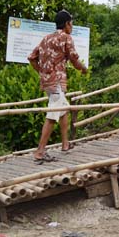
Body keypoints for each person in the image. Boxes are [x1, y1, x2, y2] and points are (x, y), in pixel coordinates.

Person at [28, 10, 88, 163]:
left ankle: (65, 144)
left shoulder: (46, 38)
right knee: (53, 114)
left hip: (48, 82)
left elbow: (32, 58)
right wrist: (83, 69)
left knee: (63, 109)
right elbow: (74, 60)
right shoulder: (66, 38)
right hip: (56, 82)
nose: (72, 26)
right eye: (71, 23)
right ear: (67, 24)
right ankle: (40, 152)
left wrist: (42, 72)